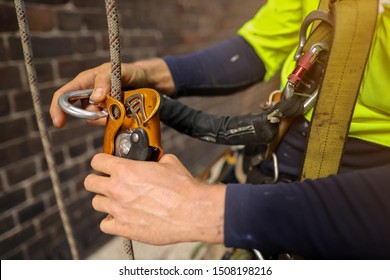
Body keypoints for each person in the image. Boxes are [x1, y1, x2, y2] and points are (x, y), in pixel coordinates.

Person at [50, 0, 390, 259]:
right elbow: (254, 50)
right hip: (280, 150)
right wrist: (145, 74)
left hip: (361, 188)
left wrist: (206, 210)